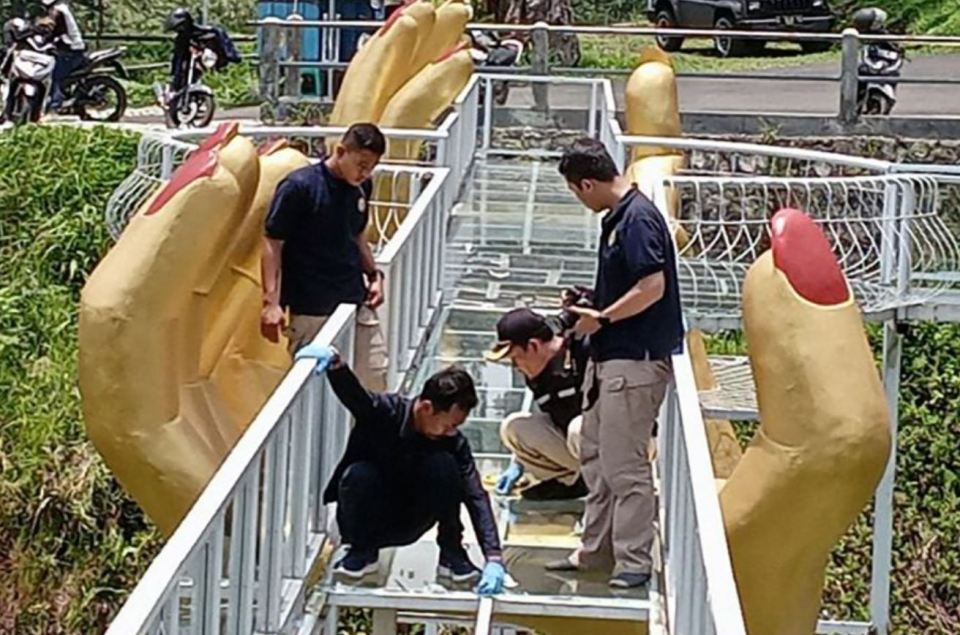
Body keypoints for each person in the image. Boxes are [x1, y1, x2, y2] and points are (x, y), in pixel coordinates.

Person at [546, 138, 684, 590]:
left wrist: (601, 317)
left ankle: (632, 561)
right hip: (612, 361)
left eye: (576, 191)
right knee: (598, 459)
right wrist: (590, 303)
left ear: (587, 183)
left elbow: (652, 287)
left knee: (625, 468)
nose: (579, 199)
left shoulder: (638, 220)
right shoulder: (619, 219)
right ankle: (595, 551)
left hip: (635, 363)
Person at [294, 343, 507, 595]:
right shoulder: (386, 412)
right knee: (358, 474)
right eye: (448, 424)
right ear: (426, 407)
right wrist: (335, 364)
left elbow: (475, 495)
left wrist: (493, 557)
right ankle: (362, 552)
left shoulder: (453, 442)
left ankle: (452, 554)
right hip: (369, 516)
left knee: (446, 466)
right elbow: (356, 398)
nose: (452, 432)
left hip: (412, 520)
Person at [262, 123, 389, 391]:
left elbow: (357, 235)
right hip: (311, 309)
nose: (365, 173)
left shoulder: (362, 187)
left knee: (374, 378)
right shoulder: (300, 187)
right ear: (341, 151)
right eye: (361, 164)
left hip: (354, 300)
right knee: (316, 391)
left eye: (372, 167)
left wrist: (374, 275)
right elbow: (273, 243)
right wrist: (271, 303)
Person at [486, 306, 589, 501]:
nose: (515, 367)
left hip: (620, 445)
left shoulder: (581, 353)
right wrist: (518, 463)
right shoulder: (537, 375)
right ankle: (572, 482)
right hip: (581, 446)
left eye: (515, 358)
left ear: (533, 346)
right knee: (514, 427)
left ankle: (606, 492)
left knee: (579, 428)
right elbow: (552, 419)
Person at [42, 0, 85, 111]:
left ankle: (56, 103)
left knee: (54, 74)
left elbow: (54, 30)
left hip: (72, 50)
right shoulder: (60, 9)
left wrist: (44, 39)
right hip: (69, 49)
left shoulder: (58, 11)